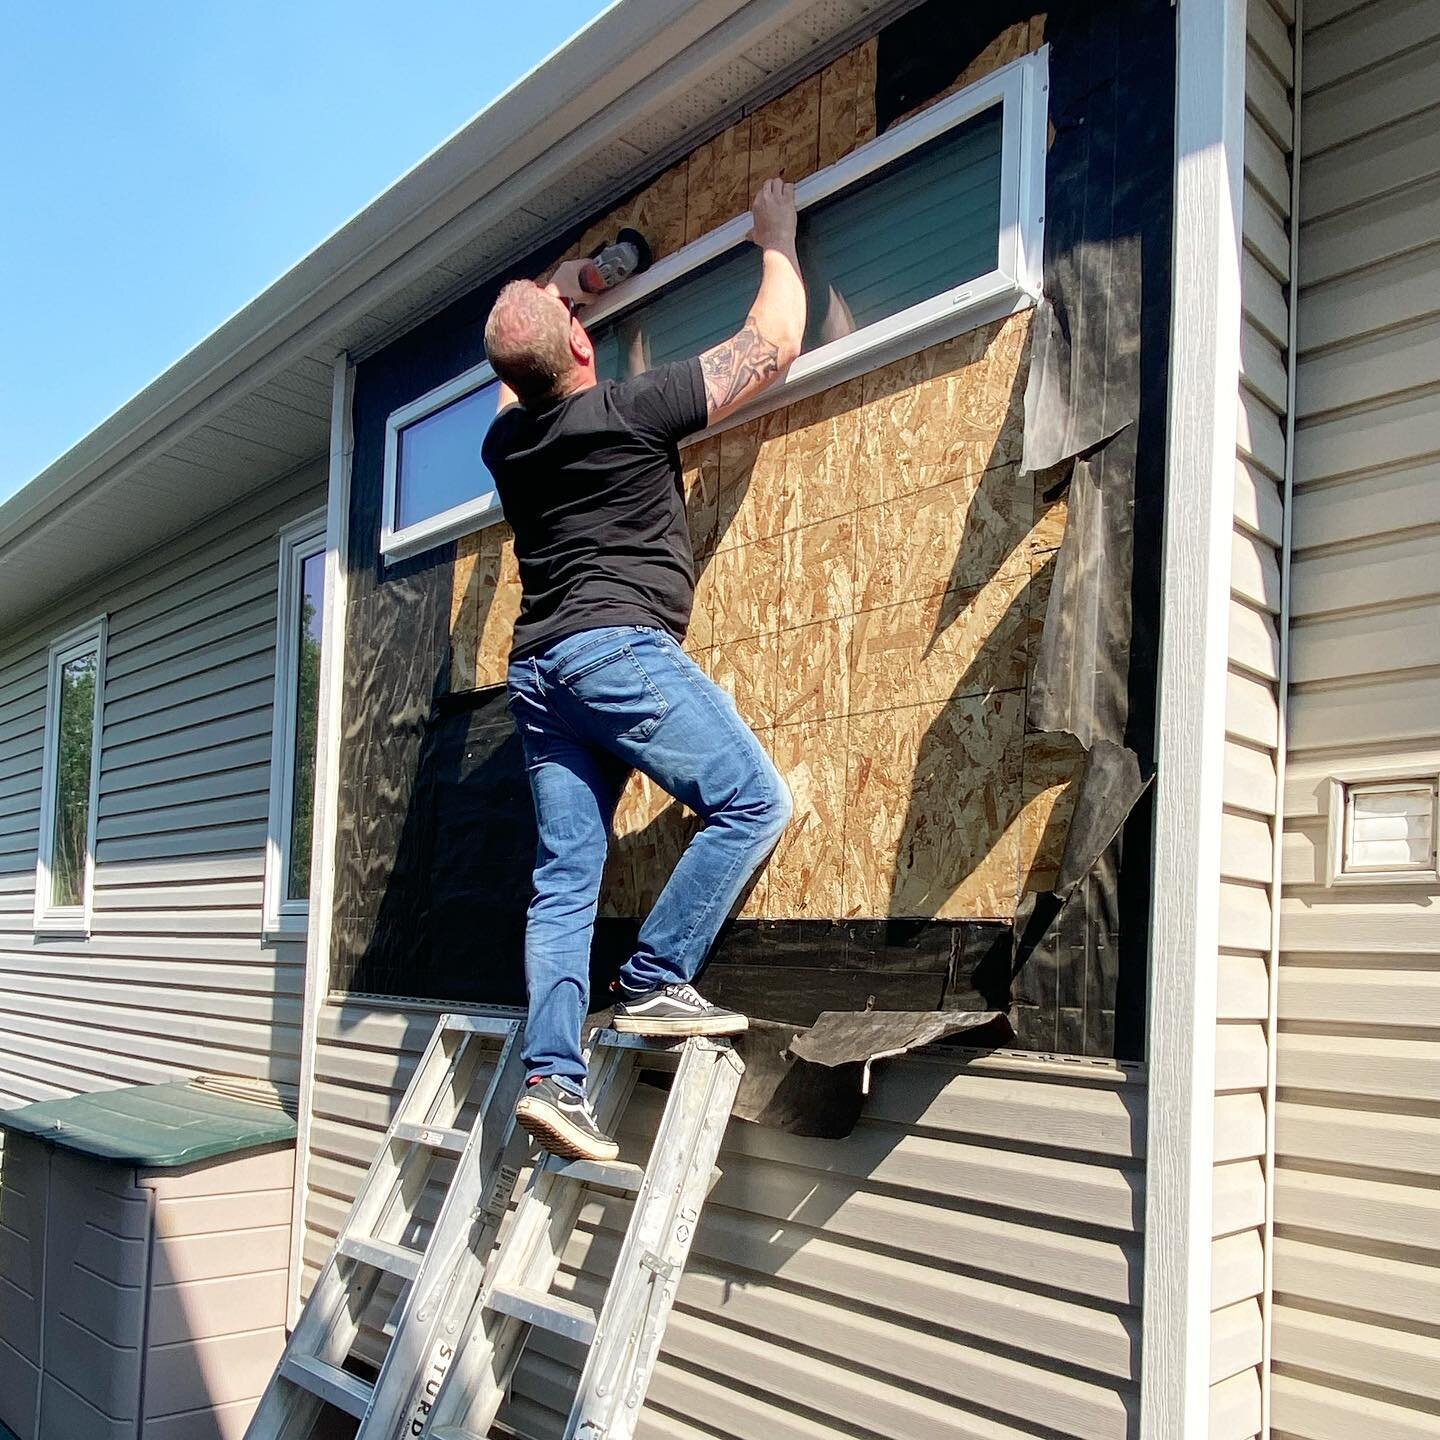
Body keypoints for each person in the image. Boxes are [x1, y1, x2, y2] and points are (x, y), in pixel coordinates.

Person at [481, 178, 806, 1161]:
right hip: (614, 652)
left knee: (567, 879)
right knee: (754, 801)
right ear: (580, 345)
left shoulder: (507, 441)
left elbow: (521, 350)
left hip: (537, 670)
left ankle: (550, 1078)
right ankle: (658, 975)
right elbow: (774, 343)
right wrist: (777, 238)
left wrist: (577, 280)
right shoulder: (631, 409)